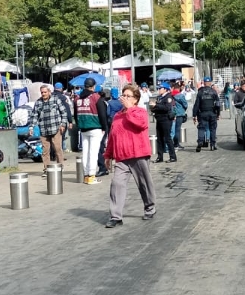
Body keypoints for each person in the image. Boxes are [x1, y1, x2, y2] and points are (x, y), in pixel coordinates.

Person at [103, 84, 157, 228]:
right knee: (117, 184)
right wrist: (108, 155)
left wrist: (130, 109)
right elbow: (113, 136)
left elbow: (141, 124)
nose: (125, 98)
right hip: (121, 157)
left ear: (136, 99)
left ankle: (150, 207)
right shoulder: (117, 116)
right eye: (124, 95)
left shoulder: (140, 112)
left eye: (128, 96)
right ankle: (116, 216)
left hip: (138, 154)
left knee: (144, 183)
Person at [28, 84, 69, 173]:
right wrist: (31, 127)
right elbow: (34, 115)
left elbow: (64, 112)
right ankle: (46, 169)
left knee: (57, 149)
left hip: (56, 129)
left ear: (49, 92)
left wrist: (63, 124)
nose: (43, 94)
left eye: (45, 92)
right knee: (45, 151)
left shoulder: (56, 99)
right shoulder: (38, 102)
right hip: (44, 130)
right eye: (42, 92)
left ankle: (60, 167)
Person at [75, 78, 109, 184]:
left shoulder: (77, 98)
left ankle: (86, 175)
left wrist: (79, 125)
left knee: (85, 152)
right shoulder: (96, 97)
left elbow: (75, 115)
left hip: (83, 128)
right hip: (95, 128)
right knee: (93, 153)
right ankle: (91, 176)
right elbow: (102, 115)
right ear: (93, 86)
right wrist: (104, 127)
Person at [192, 77, 222, 150]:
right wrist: (218, 114)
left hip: (202, 113)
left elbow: (196, 104)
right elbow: (218, 104)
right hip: (212, 113)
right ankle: (212, 144)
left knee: (201, 128)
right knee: (212, 129)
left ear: (204, 83)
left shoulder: (200, 92)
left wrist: (194, 115)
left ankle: (200, 142)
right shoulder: (214, 92)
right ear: (210, 83)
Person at [152, 83, 177, 163]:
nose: (159, 90)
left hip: (166, 119)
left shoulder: (168, 97)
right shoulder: (159, 97)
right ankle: (160, 157)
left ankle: (172, 156)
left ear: (165, 89)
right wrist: (153, 107)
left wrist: (156, 106)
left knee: (167, 138)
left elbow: (167, 108)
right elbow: (156, 108)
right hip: (159, 119)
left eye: (160, 88)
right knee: (159, 139)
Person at [171, 82, 189, 151]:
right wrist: (183, 110)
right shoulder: (180, 96)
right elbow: (185, 105)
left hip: (172, 114)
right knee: (177, 129)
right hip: (179, 114)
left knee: (173, 129)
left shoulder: (171, 95)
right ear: (178, 88)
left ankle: (173, 143)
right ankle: (176, 144)